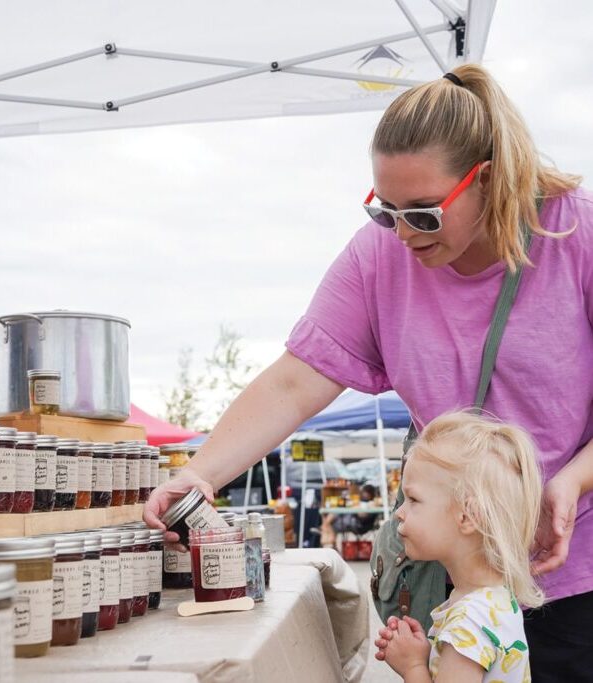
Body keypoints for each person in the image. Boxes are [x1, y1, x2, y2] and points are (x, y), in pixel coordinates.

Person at [145, 63, 593, 681]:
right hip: (456, 581)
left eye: (425, 213)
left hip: (575, 573)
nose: (404, 233)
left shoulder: (577, 232)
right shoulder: (378, 254)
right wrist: (198, 473)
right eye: (386, 210)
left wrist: (571, 481)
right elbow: (296, 379)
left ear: (485, 180)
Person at [373, 411, 542, 682]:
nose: (399, 513)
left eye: (413, 499)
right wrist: (429, 655)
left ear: (466, 516)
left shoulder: (468, 625)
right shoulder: (495, 598)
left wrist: (413, 667)